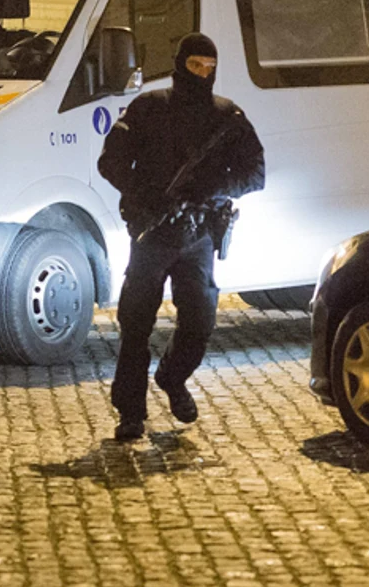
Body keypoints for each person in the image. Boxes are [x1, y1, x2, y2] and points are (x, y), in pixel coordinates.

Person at [98, 33, 265, 441]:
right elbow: (111, 161)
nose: (203, 74)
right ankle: (131, 412)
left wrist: (216, 186)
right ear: (180, 64)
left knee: (200, 321)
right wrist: (144, 195)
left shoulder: (228, 117)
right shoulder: (150, 108)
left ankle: (173, 378)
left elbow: (255, 174)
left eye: (210, 68)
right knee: (136, 323)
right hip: (154, 232)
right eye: (195, 66)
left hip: (199, 236)